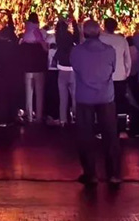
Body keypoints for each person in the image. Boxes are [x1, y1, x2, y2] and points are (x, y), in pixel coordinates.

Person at [71, 19, 120, 185]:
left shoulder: (77, 51)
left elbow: (76, 68)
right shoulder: (110, 51)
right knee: (110, 135)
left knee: (86, 135)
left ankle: (90, 174)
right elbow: (112, 69)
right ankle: (113, 174)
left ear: (84, 33)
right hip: (106, 96)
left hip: (85, 97)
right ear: (99, 32)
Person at [99, 17, 132, 128]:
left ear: (104, 26)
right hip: (119, 76)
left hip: (103, 77)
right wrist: (126, 73)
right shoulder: (122, 40)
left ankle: (104, 127)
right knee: (120, 102)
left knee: (104, 104)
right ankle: (121, 128)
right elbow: (127, 59)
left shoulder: (100, 39)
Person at [20, 12, 48, 123]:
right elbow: (44, 48)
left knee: (28, 93)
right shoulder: (37, 32)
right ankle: (39, 116)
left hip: (27, 68)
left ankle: (29, 117)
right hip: (38, 68)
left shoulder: (25, 34)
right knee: (39, 94)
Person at [54, 19, 76, 126]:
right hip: (72, 71)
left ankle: (63, 119)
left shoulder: (59, 40)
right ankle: (76, 116)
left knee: (63, 98)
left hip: (62, 71)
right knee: (75, 96)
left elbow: (56, 58)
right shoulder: (71, 42)